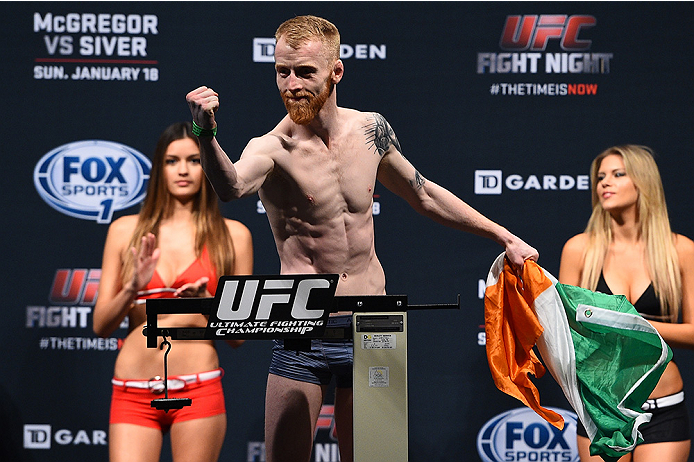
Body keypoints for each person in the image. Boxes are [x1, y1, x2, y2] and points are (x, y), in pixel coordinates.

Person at [186, 15, 537, 462]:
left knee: (375, 459)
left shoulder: (371, 130)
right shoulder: (270, 148)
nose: (291, 85)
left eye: (305, 72)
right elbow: (231, 187)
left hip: (374, 322)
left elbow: (423, 193)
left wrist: (502, 234)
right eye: (281, 71)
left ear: (337, 71)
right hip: (302, 328)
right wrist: (205, 133)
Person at [93, 121, 254, 462]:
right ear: (159, 168)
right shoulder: (124, 232)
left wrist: (206, 305)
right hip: (132, 390)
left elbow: (238, 337)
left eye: (194, 160)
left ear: (207, 165)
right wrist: (132, 289)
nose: (183, 170)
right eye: (172, 161)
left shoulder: (234, 235)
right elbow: (100, 326)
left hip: (199, 386)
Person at [559, 145, 694, 462]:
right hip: (602, 407)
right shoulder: (579, 249)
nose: (604, 183)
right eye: (601, 176)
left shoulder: (680, 250)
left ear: (643, 183)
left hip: (664, 406)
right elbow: (565, 335)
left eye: (618, 174)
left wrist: (629, 324)